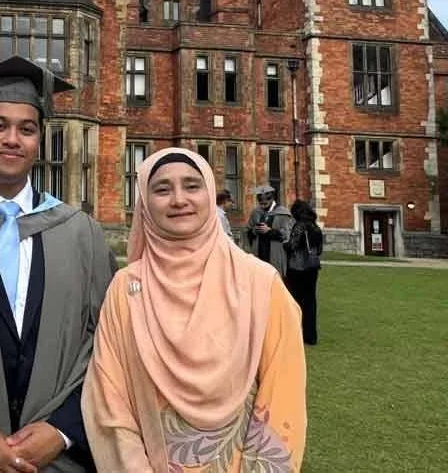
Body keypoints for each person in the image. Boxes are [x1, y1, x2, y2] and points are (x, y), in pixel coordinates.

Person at [0, 56, 117, 473]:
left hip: (59, 459)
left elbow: (112, 347)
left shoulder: (81, 235)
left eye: (27, 128)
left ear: (40, 141)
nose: (12, 138)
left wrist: (65, 429)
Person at [81, 148, 307, 472]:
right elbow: (109, 399)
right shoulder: (125, 288)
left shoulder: (262, 285)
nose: (178, 199)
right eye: (161, 189)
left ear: (210, 194)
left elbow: (282, 401)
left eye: (192, 186)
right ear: (144, 202)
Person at [284, 200, 323, 346]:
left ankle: (296, 333)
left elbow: (292, 245)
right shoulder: (315, 227)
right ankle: (311, 336)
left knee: (296, 301)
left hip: (297, 267)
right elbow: (319, 249)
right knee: (310, 301)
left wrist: (284, 243)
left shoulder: (299, 226)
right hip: (312, 268)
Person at [245, 185, 293, 277]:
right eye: (261, 203)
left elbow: (287, 235)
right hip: (258, 253)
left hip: (275, 253)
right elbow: (248, 231)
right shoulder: (256, 212)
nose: (263, 206)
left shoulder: (283, 213)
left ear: (271, 199)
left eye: (265, 203)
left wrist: (270, 231)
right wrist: (254, 230)